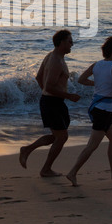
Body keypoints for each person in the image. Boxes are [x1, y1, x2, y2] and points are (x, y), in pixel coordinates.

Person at [66, 36, 112, 186]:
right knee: (92, 145)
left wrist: (98, 83)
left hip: (98, 108)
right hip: (104, 111)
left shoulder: (97, 65)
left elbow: (81, 79)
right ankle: (72, 172)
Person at [19, 30, 80, 177]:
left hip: (52, 101)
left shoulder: (52, 56)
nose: (72, 44)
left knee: (57, 136)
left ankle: (27, 150)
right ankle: (45, 169)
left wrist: (46, 94)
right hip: (52, 103)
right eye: (70, 41)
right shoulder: (56, 61)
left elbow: (39, 77)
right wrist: (69, 96)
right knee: (62, 137)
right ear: (62, 43)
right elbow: (49, 86)